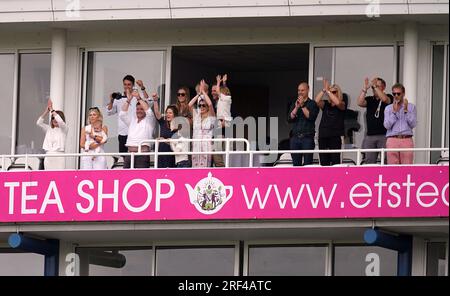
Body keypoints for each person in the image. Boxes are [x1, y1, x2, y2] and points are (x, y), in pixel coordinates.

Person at [106, 75, 150, 154]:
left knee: (136, 156)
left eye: (129, 84)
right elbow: (109, 112)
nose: (127, 86)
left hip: (136, 132)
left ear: (133, 85)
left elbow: (148, 102)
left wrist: (142, 87)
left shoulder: (137, 95)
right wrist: (112, 100)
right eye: (125, 84)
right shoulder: (118, 97)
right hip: (123, 132)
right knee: (124, 157)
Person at [357, 77, 392, 164]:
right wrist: (365, 89)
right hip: (370, 136)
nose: (374, 89)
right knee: (369, 161)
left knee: (386, 160)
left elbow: (385, 100)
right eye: (373, 87)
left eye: (377, 86)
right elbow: (360, 102)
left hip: (384, 135)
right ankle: (371, 177)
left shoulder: (388, 96)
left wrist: (374, 86)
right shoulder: (369, 99)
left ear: (383, 87)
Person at [120, 87, 156, 168]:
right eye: (137, 109)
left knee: (141, 177)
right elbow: (122, 114)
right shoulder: (132, 120)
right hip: (129, 155)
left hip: (142, 156)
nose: (139, 111)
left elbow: (149, 111)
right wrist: (128, 100)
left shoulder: (149, 120)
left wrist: (138, 98)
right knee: (125, 178)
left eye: (141, 109)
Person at [315, 79, 346, 166]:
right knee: (324, 162)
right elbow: (316, 101)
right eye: (331, 92)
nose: (332, 93)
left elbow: (337, 102)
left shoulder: (342, 104)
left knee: (335, 161)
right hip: (323, 135)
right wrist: (323, 90)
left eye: (334, 92)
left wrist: (328, 91)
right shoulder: (325, 104)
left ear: (338, 93)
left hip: (335, 136)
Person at [384, 83, 417, 164]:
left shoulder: (411, 107)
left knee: (407, 167)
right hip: (392, 139)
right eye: (394, 94)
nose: (396, 96)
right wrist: (394, 113)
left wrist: (406, 111)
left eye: (398, 93)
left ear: (403, 94)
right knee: (392, 168)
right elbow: (387, 126)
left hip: (406, 139)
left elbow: (413, 124)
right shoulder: (388, 108)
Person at [287, 82, 319, 166]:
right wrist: (296, 107)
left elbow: (311, 117)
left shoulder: (313, 104)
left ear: (308, 90)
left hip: (307, 138)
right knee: (296, 165)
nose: (300, 92)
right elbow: (289, 119)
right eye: (298, 90)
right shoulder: (295, 103)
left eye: (302, 90)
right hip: (295, 138)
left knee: (308, 164)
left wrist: (302, 105)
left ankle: (307, 179)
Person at [188, 80, 216, 168]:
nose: (201, 107)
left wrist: (204, 92)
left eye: (204, 105)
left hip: (206, 146)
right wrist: (199, 94)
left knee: (205, 167)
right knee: (195, 167)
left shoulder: (211, 117)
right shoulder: (196, 116)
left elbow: (211, 104)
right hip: (196, 145)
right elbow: (189, 104)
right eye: (200, 106)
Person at [36, 99, 68, 170]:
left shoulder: (64, 129)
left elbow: (60, 121)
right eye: (53, 118)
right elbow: (38, 122)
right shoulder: (48, 128)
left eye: (55, 117)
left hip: (59, 156)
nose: (54, 119)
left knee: (59, 176)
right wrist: (47, 111)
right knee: (49, 176)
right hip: (49, 155)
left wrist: (52, 110)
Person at [210, 74, 232, 167]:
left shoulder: (226, 99)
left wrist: (219, 82)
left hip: (224, 125)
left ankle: (222, 171)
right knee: (216, 153)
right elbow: (224, 90)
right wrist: (224, 82)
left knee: (218, 155)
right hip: (221, 126)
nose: (216, 93)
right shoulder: (223, 100)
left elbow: (220, 91)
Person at [152, 93, 177, 168]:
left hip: (171, 155)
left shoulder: (178, 127)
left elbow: (176, 142)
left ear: (174, 115)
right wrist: (155, 100)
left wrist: (163, 139)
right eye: (167, 113)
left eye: (170, 113)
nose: (168, 114)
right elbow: (156, 112)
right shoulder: (163, 123)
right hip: (160, 154)